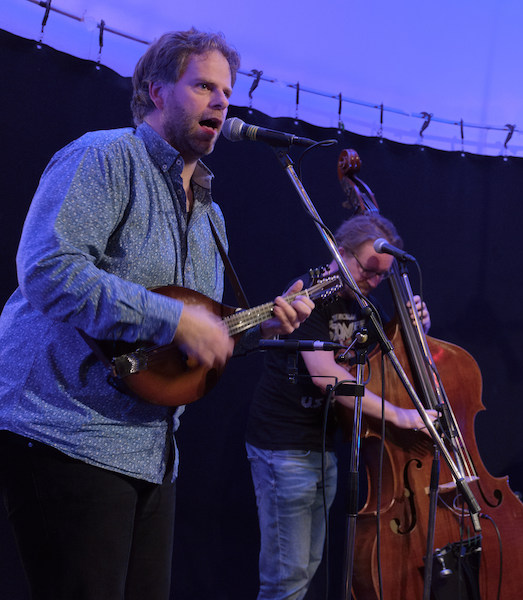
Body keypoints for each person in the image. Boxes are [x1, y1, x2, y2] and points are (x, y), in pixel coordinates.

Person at [0, 29, 314, 600]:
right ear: (154, 90)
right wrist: (172, 319)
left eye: (226, 91)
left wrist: (258, 328)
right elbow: (48, 270)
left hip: (152, 453)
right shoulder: (105, 156)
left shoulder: (211, 216)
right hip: (67, 428)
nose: (221, 102)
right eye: (202, 86)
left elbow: (192, 334)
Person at [245, 213, 436, 600]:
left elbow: (389, 365)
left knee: (306, 567)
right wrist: (402, 416)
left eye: (382, 275)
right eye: (368, 270)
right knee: (288, 576)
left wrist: (416, 329)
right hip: (284, 448)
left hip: (322, 449)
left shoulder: (365, 307)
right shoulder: (310, 296)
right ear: (340, 252)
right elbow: (325, 375)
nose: (375, 282)